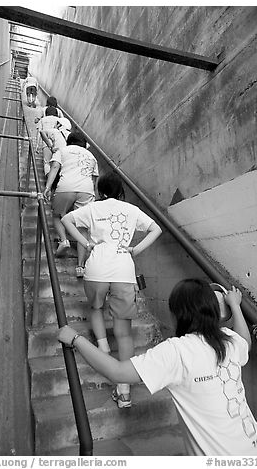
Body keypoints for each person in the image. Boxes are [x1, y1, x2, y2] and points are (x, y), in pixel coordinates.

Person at [58, 278, 257, 455]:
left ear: (177, 314)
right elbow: (245, 344)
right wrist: (237, 306)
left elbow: (118, 372)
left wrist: (76, 339)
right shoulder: (228, 340)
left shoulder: (177, 351)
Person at [60, 172, 162, 408]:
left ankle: (103, 348)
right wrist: (135, 250)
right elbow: (156, 229)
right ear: (119, 191)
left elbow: (66, 220)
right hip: (123, 272)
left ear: (101, 191)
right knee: (124, 332)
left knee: (95, 307)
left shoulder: (94, 208)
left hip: (96, 269)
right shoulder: (131, 210)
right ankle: (124, 390)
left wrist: (86, 244)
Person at [43, 131, 99, 272]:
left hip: (66, 187)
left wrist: (48, 187)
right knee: (82, 227)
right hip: (86, 190)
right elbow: (94, 179)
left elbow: (55, 167)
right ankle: (80, 266)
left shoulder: (63, 150)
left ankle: (64, 240)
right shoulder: (91, 156)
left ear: (69, 140)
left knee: (57, 215)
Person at [37, 106, 72, 176]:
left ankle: (48, 177)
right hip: (58, 143)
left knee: (47, 162)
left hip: (46, 143)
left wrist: (37, 146)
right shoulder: (60, 120)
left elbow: (39, 132)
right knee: (57, 162)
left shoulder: (43, 120)